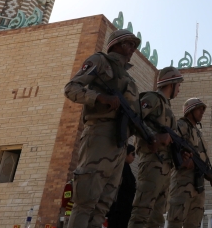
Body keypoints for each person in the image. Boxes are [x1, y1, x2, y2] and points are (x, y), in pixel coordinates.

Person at [64, 29, 154, 228]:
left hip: (119, 143)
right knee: (86, 201)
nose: (132, 49)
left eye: (134, 45)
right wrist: (100, 98)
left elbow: (136, 117)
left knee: (103, 205)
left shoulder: (129, 80)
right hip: (100, 135)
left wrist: (150, 138)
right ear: (115, 44)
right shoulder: (100, 61)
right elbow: (71, 88)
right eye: (128, 44)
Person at [130, 67, 182, 228]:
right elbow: (135, 119)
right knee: (141, 213)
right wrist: (156, 137)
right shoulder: (152, 98)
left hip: (165, 168)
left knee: (156, 218)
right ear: (171, 83)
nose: (179, 89)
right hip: (152, 163)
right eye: (178, 85)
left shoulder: (168, 108)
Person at [166, 99, 212, 228]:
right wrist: (183, 161)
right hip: (183, 182)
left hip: (198, 184)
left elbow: (202, 160)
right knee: (176, 221)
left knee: (194, 223)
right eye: (199, 109)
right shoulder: (182, 125)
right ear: (190, 110)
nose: (202, 112)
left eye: (203, 109)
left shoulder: (198, 133)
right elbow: (172, 145)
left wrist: (211, 177)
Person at [107, 145, 137, 228]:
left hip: (122, 207)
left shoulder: (125, 167)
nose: (134, 157)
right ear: (126, 154)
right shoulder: (123, 167)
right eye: (132, 154)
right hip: (120, 207)